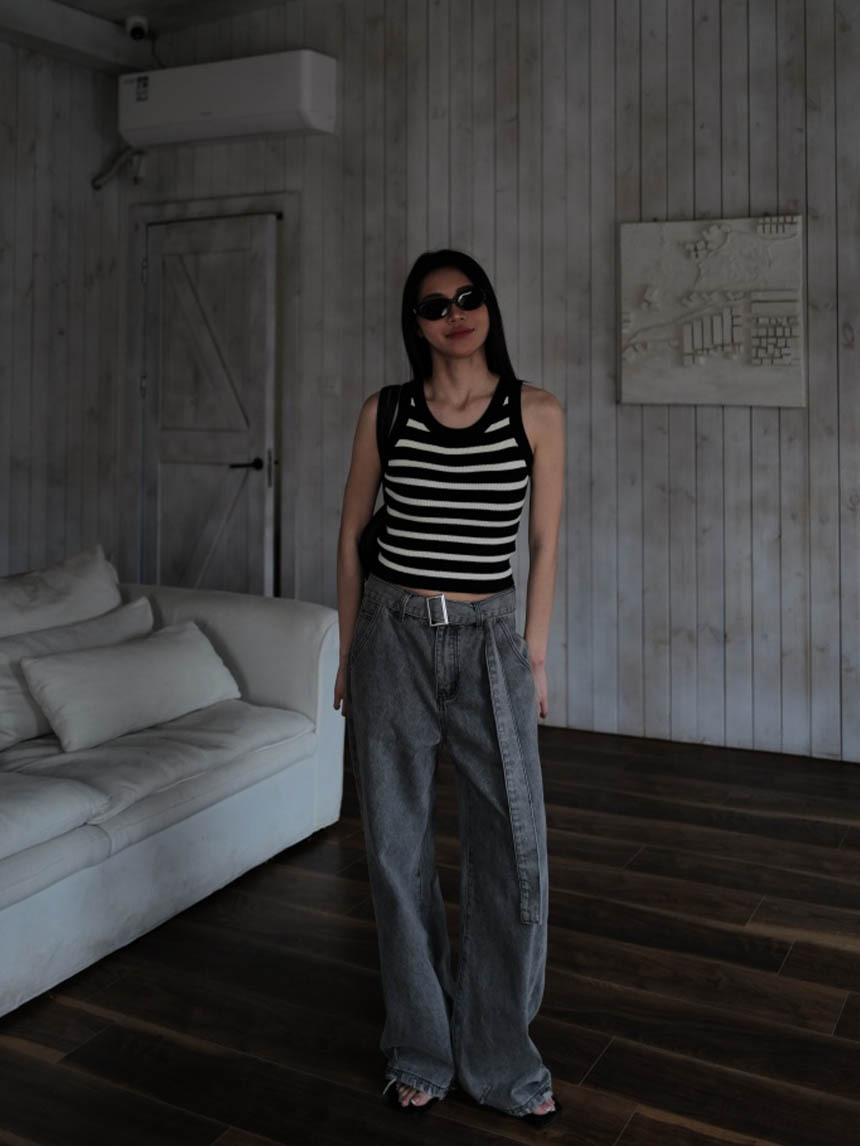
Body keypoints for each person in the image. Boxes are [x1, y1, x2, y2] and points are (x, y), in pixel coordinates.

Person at [334, 248, 564, 1127]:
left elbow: (544, 544)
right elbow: (351, 535)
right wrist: (350, 652)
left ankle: (501, 1058)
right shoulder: (386, 412)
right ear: (416, 323)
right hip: (391, 637)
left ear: (488, 306)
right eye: (435, 305)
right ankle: (422, 1048)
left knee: (513, 851)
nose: (455, 314)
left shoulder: (535, 412)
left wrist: (533, 655)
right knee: (396, 852)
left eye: (467, 298)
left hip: (488, 642)